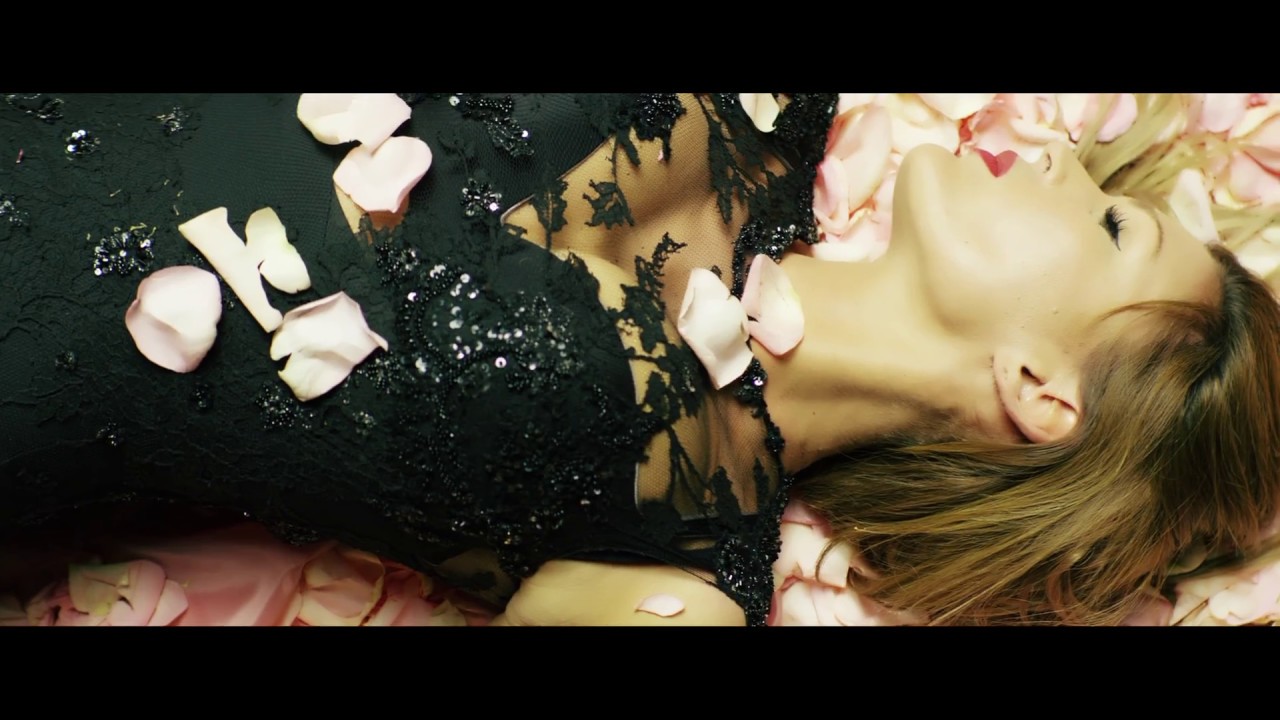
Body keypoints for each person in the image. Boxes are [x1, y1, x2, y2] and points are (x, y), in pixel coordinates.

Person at [0, 93, 1276, 626]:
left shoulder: (677, 577)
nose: (1055, 158)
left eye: (1111, 225)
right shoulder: (770, 103)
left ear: (1041, 390)